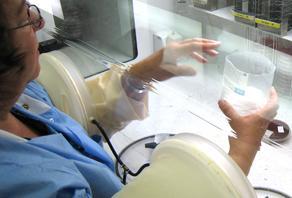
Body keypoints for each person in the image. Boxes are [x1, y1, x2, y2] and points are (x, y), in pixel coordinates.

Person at [0, 0, 278, 197]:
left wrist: (138, 76)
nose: (39, 22)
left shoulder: (21, 95)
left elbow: (71, 123)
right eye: (24, 16)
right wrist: (244, 146)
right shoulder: (34, 186)